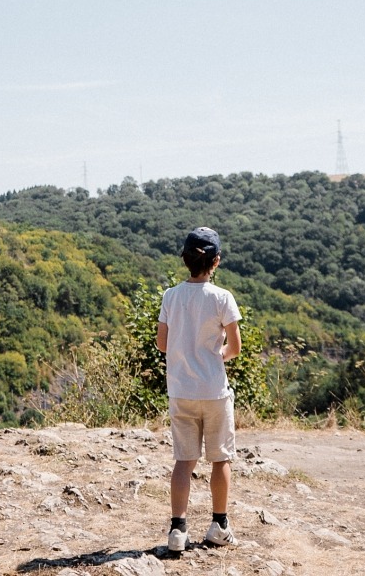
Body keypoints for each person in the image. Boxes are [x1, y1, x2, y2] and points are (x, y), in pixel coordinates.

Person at [156, 226, 242, 552]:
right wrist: (215, 356)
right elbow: (234, 346)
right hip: (214, 391)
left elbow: (162, 344)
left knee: (183, 460)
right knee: (220, 459)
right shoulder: (222, 298)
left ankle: (177, 530)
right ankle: (219, 524)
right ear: (216, 261)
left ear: (185, 260)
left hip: (180, 390)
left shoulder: (170, 296)